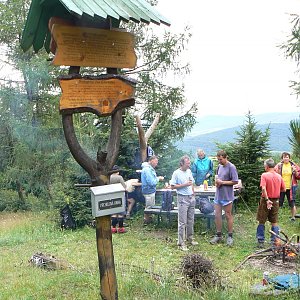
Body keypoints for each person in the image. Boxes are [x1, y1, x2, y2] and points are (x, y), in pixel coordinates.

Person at [210, 150, 238, 246]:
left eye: (221, 159)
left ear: (226, 157)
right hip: (218, 194)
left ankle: (230, 236)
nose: (219, 161)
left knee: (228, 215)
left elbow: (235, 181)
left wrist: (223, 182)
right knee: (217, 214)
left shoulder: (231, 167)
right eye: (218, 159)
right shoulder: (219, 166)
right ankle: (218, 235)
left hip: (227, 195)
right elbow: (217, 178)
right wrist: (217, 183)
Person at [170, 155, 198, 251]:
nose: (189, 165)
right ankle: (181, 242)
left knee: (191, 219)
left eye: (189, 163)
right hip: (182, 198)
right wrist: (184, 185)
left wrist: (193, 194)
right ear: (182, 163)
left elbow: (192, 183)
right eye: (187, 163)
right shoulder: (176, 173)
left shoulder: (189, 171)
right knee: (182, 222)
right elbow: (172, 186)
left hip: (191, 197)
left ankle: (190, 238)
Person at [256, 158, 286, 248]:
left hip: (266, 200)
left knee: (262, 220)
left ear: (267, 166)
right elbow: (284, 189)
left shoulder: (264, 175)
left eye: (264, 166)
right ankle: (274, 241)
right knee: (274, 221)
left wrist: (267, 199)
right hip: (276, 201)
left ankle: (261, 241)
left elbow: (263, 188)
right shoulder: (279, 176)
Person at [274, 152, 300, 221]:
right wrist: (278, 170)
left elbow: (298, 176)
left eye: (287, 157)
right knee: (278, 202)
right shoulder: (279, 165)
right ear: (282, 158)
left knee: (292, 202)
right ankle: (274, 217)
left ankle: (293, 217)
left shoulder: (293, 165)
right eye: (284, 157)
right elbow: (274, 174)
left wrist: (295, 171)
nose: (286, 158)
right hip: (281, 187)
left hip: (291, 187)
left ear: (289, 158)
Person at [141, 155, 164, 224]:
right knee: (149, 207)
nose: (156, 163)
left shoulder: (148, 168)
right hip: (148, 190)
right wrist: (158, 179)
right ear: (151, 161)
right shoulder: (147, 169)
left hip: (149, 190)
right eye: (155, 161)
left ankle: (149, 220)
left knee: (150, 205)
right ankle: (146, 222)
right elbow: (151, 182)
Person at [109, 165, 127, 233]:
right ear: (118, 171)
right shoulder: (119, 177)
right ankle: (120, 228)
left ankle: (113, 228)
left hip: (111, 196)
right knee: (120, 213)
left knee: (113, 212)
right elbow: (124, 186)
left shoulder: (109, 177)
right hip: (120, 196)